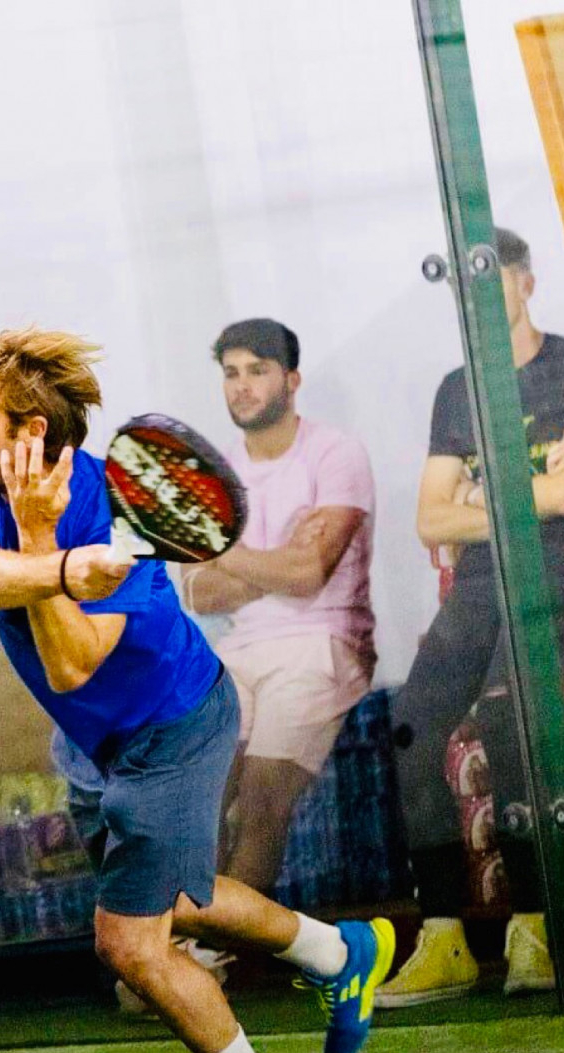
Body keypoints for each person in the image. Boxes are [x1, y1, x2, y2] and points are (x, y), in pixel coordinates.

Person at [0, 326, 396, 1053]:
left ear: (30, 435)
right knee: (179, 898)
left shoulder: (122, 511)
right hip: (91, 744)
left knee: (131, 944)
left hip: (176, 727)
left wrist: (49, 549)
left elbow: (71, 663)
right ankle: (339, 954)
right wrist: (62, 568)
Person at [384, 227, 564, 1005]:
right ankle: (445, 939)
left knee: (506, 715)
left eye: (490, 278)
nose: (477, 296)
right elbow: (430, 520)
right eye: (462, 286)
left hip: (560, 576)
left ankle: (537, 925)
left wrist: (475, 493)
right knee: (409, 729)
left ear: (526, 282)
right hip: (479, 587)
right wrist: (513, 495)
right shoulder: (456, 390)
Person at [183, 319, 376, 896]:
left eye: (257, 371)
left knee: (261, 800)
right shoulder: (216, 475)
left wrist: (227, 554)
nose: (241, 386)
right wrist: (278, 562)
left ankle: (225, 942)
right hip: (237, 652)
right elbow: (196, 592)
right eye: (231, 373)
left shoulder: (336, 453)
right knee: (198, 798)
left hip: (322, 646)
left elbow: (309, 572)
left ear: (292, 380)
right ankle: (192, 939)